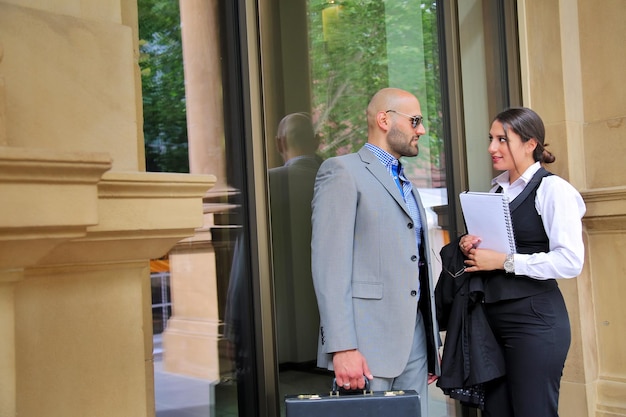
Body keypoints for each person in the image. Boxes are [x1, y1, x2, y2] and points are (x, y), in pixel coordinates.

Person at [311, 87, 441, 417]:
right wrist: (342, 348)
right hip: (365, 347)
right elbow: (330, 266)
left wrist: (429, 345)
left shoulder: (407, 183)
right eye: (415, 121)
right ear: (385, 120)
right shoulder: (341, 171)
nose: (421, 130)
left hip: (414, 341)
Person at [459, 107, 586, 416]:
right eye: (491, 139)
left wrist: (505, 262)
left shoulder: (553, 190)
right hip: (492, 320)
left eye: (503, 139)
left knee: (533, 411)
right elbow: (494, 251)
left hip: (535, 321)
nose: (492, 148)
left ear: (531, 144)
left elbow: (571, 261)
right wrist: (470, 243)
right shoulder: (496, 189)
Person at [268, 112, 322, 365]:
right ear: (317, 141)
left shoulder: (267, 184)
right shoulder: (337, 180)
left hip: (282, 323)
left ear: (280, 143)